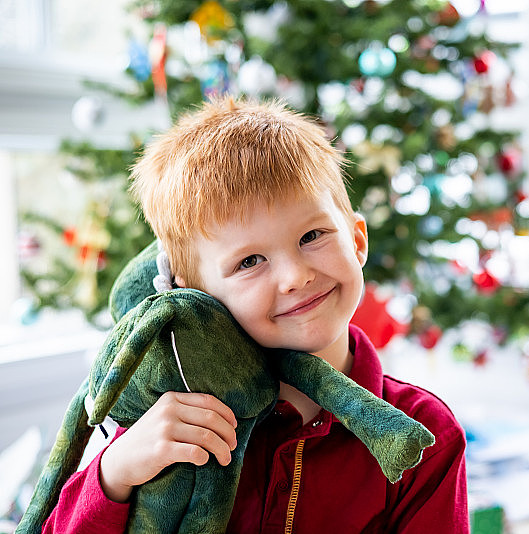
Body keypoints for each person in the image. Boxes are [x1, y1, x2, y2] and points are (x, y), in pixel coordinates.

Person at [41, 97, 468, 533]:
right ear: (194, 294)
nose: (295, 277)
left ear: (357, 241)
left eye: (312, 235)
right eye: (249, 262)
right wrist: (115, 473)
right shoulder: (172, 420)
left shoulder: (425, 435)